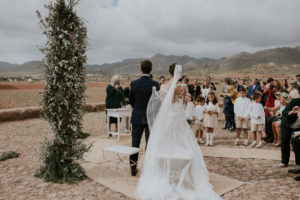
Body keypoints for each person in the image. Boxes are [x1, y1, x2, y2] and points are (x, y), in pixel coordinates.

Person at [135, 65, 221, 199]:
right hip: (179, 117)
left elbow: (161, 103)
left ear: (169, 73)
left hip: (169, 117)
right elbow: (186, 102)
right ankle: (184, 175)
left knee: (166, 139)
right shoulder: (184, 87)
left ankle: (165, 173)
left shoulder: (164, 86)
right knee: (182, 139)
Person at [129, 60, 160, 176]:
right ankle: (149, 168)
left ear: (140, 69)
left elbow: (131, 100)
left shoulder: (134, 83)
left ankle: (133, 168)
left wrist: (137, 108)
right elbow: (157, 102)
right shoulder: (155, 84)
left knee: (134, 144)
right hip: (150, 118)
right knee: (150, 144)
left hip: (137, 116)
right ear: (151, 70)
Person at [278, 98, 300, 167]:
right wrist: (292, 112)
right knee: (285, 140)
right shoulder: (295, 101)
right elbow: (284, 112)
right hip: (287, 123)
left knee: (296, 142)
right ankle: (284, 161)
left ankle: (298, 164)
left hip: (298, 125)